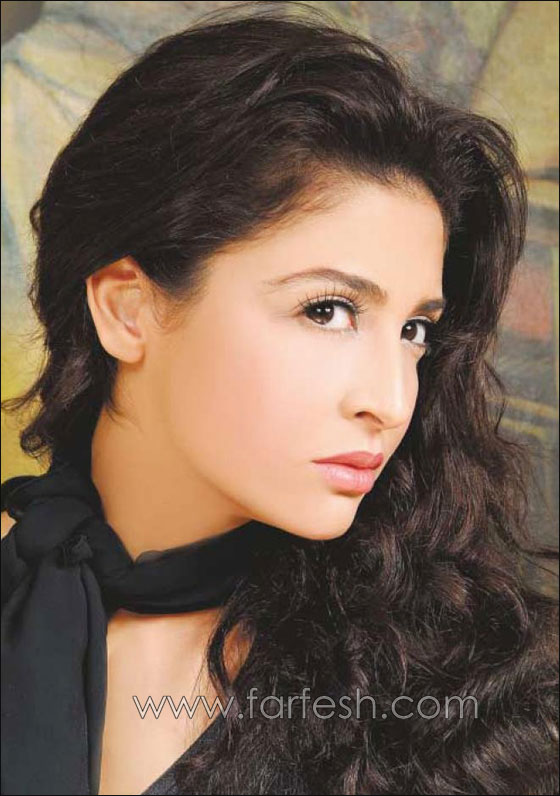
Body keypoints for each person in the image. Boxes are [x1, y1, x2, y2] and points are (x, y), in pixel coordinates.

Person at [1, 2, 558, 794]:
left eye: (415, 331)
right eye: (327, 310)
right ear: (128, 310)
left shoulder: (460, 684)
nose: (391, 399)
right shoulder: (22, 575)